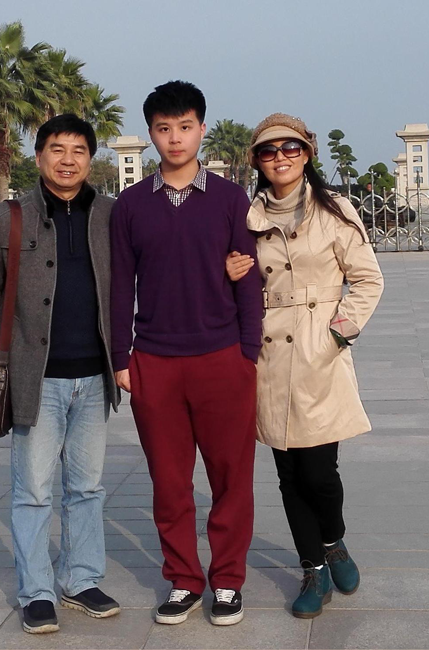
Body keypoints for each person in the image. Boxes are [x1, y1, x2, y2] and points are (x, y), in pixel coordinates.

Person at [110, 81, 262, 626]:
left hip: (222, 357)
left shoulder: (229, 198)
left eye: (185, 126)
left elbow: (249, 277)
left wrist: (248, 353)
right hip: (154, 362)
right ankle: (182, 579)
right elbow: (119, 285)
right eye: (163, 128)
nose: (175, 138)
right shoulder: (131, 205)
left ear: (202, 128)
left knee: (230, 477)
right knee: (170, 481)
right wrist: (121, 357)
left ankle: (228, 580)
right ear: (151, 134)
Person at [226, 113, 384, 619]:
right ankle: (312, 568)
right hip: (271, 355)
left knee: (320, 471)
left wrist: (337, 333)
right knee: (288, 473)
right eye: (268, 151)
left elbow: (368, 279)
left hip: (320, 352)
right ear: (256, 161)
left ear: (307, 153)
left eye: (290, 148)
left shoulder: (334, 209)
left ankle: (334, 540)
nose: (280, 158)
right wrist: (231, 272)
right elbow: (237, 285)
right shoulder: (247, 218)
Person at [0, 114, 120, 634]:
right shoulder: (8, 217)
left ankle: (80, 579)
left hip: (95, 377)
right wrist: (22, 334)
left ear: (91, 159)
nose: (67, 160)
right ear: (39, 157)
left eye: (79, 150)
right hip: (37, 379)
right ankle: (36, 591)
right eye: (57, 149)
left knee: (87, 487)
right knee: (33, 489)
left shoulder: (110, 215)